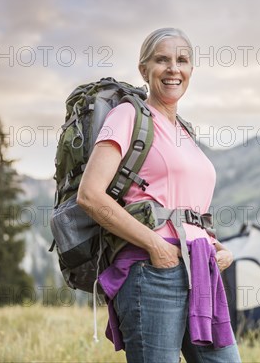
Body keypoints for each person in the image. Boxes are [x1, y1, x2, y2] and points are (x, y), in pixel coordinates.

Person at [78, 28, 242, 362]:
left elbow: (184, 208)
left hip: (200, 268)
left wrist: (214, 245)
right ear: (144, 69)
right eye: (161, 59)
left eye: (182, 60)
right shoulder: (128, 116)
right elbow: (91, 195)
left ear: (191, 70)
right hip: (151, 271)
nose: (173, 68)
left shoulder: (186, 132)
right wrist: (154, 245)